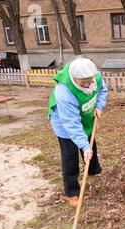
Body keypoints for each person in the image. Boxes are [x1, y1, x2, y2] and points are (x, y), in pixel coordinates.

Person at [48, 58, 108, 207]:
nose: (88, 84)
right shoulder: (64, 91)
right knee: (70, 157)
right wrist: (84, 146)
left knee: (91, 145)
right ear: (75, 79)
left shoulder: (96, 77)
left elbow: (102, 90)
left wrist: (99, 106)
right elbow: (71, 123)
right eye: (83, 82)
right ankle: (72, 192)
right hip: (65, 124)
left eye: (89, 80)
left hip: (85, 116)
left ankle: (94, 171)